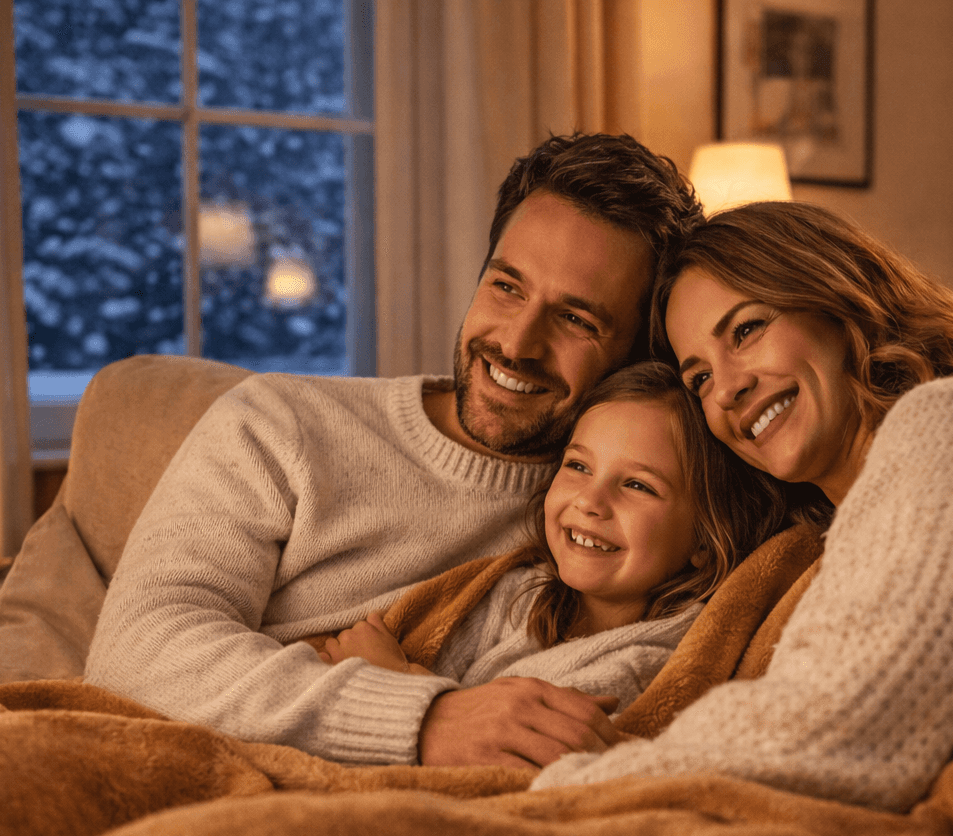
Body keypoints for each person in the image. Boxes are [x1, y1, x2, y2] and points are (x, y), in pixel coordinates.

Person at [531, 201, 953, 833]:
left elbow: (849, 725)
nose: (728, 386)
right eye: (699, 377)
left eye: (747, 329)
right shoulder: (826, 539)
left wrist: (566, 793)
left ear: (837, 302)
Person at [84, 133, 704, 770]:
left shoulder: (612, 514)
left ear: (637, 355)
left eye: (577, 319)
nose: (517, 343)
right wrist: (423, 717)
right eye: (507, 287)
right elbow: (134, 651)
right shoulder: (278, 423)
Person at [314, 362, 792, 767]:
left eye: (638, 486)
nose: (589, 501)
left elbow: (522, 762)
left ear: (705, 540)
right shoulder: (519, 591)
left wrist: (395, 680)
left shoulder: (647, 666)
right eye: (579, 467)